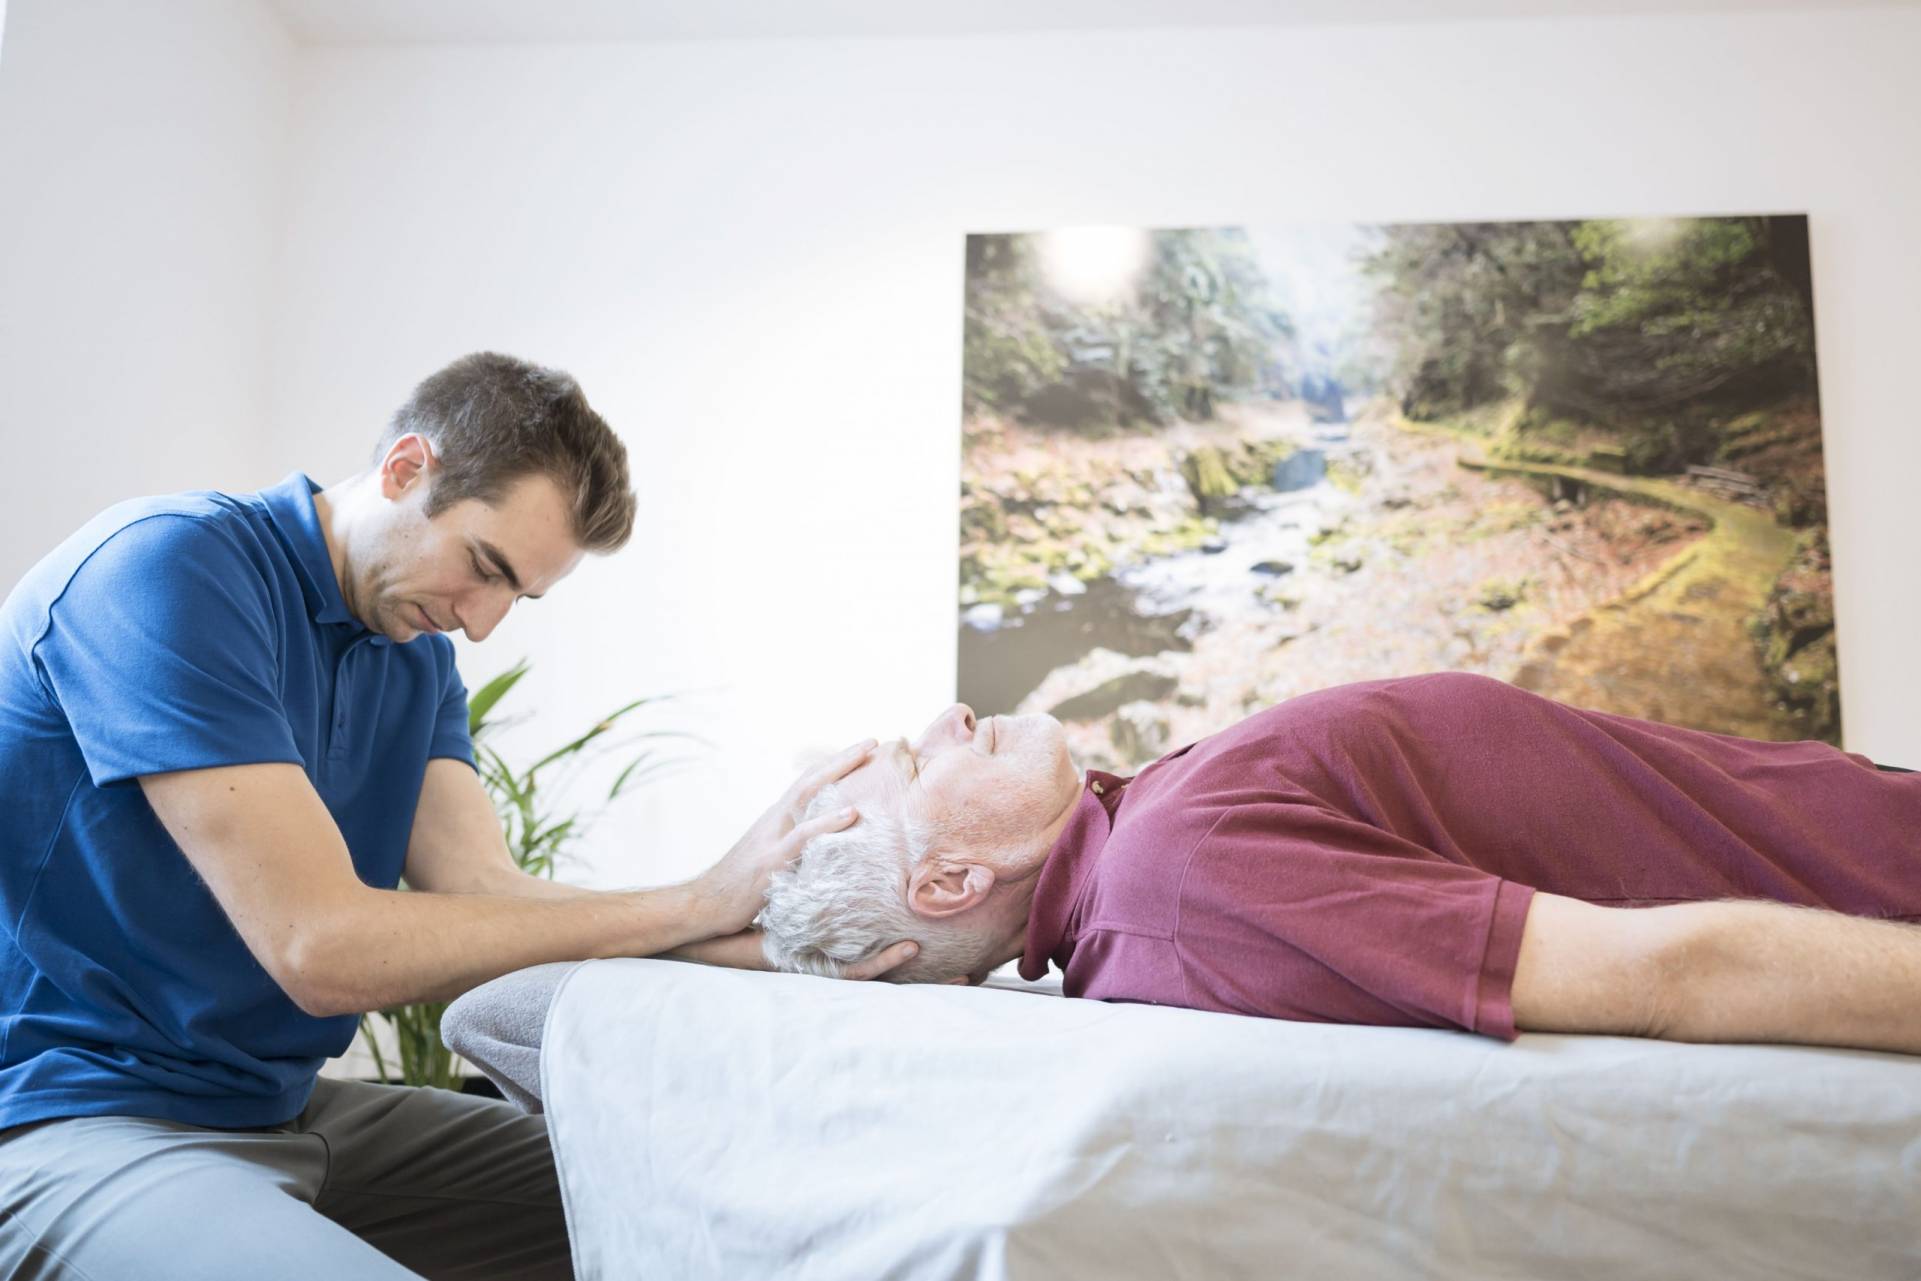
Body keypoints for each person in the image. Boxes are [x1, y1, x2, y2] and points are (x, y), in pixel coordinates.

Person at [0, 352, 914, 1279]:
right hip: (76, 1119)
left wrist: (779, 945)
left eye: (517, 596)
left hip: (286, 1109)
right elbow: (322, 948)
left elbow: (486, 894)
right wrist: (695, 897)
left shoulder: (414, 654)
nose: (481, 623)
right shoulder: (167, 569)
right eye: (484, 568)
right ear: (406, 469)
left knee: (740, 1208)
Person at [755, 671, 1921, 1056]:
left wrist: (744, 924)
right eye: (915, 761)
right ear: (953, 884)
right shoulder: (1179, 875)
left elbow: (870, 946)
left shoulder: (1148, 843)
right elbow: (1672, 976)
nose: (953, 713)